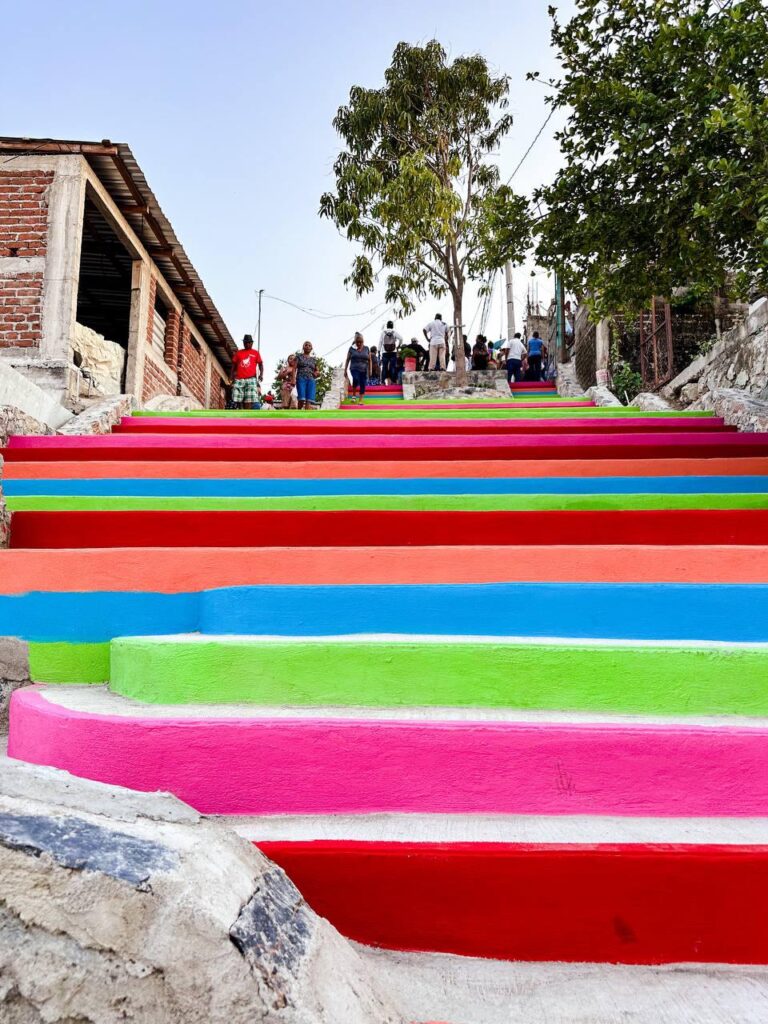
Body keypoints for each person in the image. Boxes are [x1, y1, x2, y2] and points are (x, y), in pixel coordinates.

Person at [230, 334, 263, 409]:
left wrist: (261, 374)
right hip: (239, 379)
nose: (247, 344)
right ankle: (240, 411)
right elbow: (233, 366)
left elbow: (261, 365)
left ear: (252, 343)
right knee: (236, 397)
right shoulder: (239, 353)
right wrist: (231, 377)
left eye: (249, 342)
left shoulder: (256, 353)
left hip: (251, 378)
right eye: (245, 342)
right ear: (243, 343)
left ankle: (246, 414)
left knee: (249, 398)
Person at [345, 332, 372, 405]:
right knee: (356, 378)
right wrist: (345, 370)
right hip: (354, 368)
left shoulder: (366, 348)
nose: (359, 343)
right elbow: (347, 359)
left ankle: (360, 400)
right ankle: (354, 395)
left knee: (362, 383)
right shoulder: (351, 349)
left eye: (361, 342)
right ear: (355, 341)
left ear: (363, 341)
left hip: (364, 369)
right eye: (358, 342)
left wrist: (370, 370)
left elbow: (370, 360)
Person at [295, 340, 319, 409]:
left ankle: (306, 417)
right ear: (303, 347)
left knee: (309, 400)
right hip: (301, 378)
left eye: (309, 345)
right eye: (306, 345)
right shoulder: (299, 356)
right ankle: (298, 413)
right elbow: (294, 368)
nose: (307, 346)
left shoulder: (313, 360)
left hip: (311, 379)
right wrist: (293, 379)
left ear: (311, 348)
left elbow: (317, 370)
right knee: (301, 398)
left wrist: (316, 373)